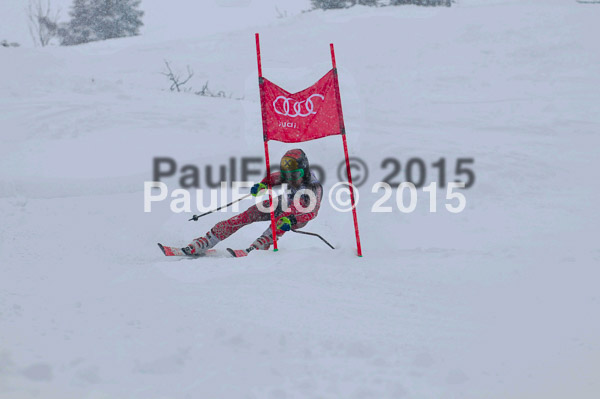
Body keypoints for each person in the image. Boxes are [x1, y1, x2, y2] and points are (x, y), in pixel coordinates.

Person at [182, 149, 323, 255]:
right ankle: (209, 239)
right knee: (250, 213)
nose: (290, 178)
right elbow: (275, 177)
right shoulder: (291, 174)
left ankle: (262, 243)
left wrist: (292, 219)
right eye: (287, 175)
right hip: (285, 202)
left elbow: (311, 212)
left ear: (304, 171)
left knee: (281, 219)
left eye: (295, 175)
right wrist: (263, 185)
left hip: (300, 214)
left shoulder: (312, 188)